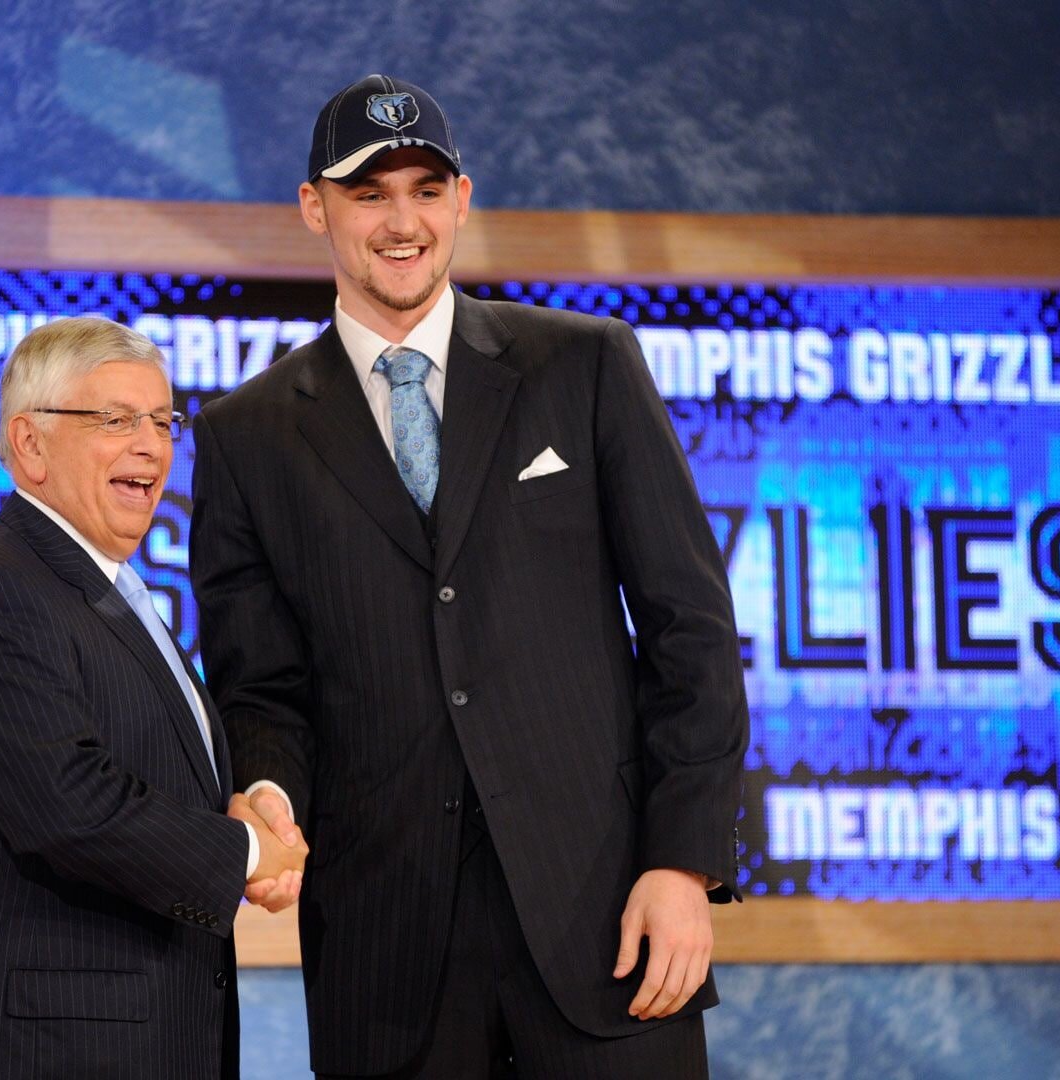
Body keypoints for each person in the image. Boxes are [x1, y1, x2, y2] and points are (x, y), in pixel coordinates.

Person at [190, 75, 750, 1077]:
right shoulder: (247, 435)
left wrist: (682, 862)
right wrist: (267, 788)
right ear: (315, 208)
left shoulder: (583, 365)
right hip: (386, 957)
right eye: (369, 194)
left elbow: (690, 629)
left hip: (608, 929)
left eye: (425, 189)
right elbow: (260, 683)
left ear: (462, 198)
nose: (402, 222)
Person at [0, 317, 306, 1079]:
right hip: (35, 1052)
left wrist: (241, 807)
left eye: (162, 420)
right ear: (31, 443)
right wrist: (243, 852)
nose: (152, 445)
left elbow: (155, 777)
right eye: (115, 420)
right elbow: (72, 809)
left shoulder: (107, 590)